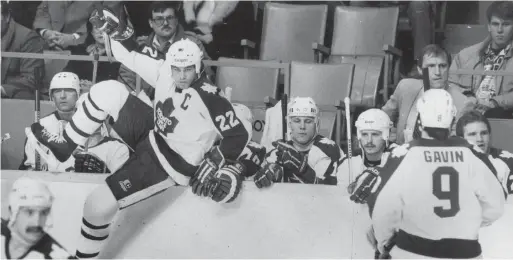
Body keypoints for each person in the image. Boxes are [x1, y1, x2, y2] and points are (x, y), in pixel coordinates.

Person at [27, 8, 250, 258]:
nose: (181, 75)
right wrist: (118, 32)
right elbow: (130, 56)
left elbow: (239, 135)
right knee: (108, 90)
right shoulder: (168, 70)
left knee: (96, 206)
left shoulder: (210, 96)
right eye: (177, 68)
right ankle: (65, 145)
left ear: (198, 66)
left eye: (188, 69)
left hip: (168, 164)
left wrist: (216, 158)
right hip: (154, 134)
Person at [355, 89, 505, 259]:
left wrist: (383, 244)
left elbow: (382, 208)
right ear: (453, 120)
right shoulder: (472, 152)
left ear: (419, 121)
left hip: (414, 251)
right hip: (464, 252)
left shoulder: (404, 153)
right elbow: (497, 205)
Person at [20, 72, 130, 174]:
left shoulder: (114, 143)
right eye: (57, 91)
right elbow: (27, 171)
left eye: (68, 90)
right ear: (51, 96)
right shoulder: (41, 127)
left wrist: (104, 172)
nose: (62, 96)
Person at [118, 1, 210, 106]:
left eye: (169, 18)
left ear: (176, 20)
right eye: (159, 19)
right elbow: (125, 77)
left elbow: (205, 78)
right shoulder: (140, 46)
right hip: (144, 107)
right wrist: (140, 100)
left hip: (182, 107)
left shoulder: (193, 44)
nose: (165, 23)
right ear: (150, 23)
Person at [382, 44, 470, 144]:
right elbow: (382, 118)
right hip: (402, 155)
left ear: (448, 68)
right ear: (420, 70)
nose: (437, 72)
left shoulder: (462, 103)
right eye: (431, 66)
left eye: (442, 66)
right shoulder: (405, 87)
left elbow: (456, 143)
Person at [253, 97, 344, 187]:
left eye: (308, 121)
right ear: (289, 124)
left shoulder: (328, 149)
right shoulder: (280, 149)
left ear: (317, 124)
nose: (302, 126)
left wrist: (303, 169)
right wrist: (273, 173)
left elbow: (327, 193)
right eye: (297, 121)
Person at [449, 1, 513, 116]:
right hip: (467, 112)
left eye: (506, 24)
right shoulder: (466, 55)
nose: (499, 30)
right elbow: (450, 83)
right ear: (488, 26)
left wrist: (495, 102)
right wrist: (467, 96)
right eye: (495, 24)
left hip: (501, 113)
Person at [1, 177, 72, 259]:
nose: (37, 222)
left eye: (43, 213)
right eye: (29, 212)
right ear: (12, 212)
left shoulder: (57, 256)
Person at [339, 108, 398, 193]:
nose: (369, 140)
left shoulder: (400, 157)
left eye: (375, 134)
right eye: (364, 134)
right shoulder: (348, 162)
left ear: (386, 135)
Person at [456, 109, 513, 195]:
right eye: (472, 134)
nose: (479, 139)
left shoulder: (508, 160)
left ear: (490, 135)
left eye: (484, 133)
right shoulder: (453, 162)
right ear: (461, 139)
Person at [33, 1, 125, 50]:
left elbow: (107, 19)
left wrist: (74, 38)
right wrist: (46, 32)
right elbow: (42, 12)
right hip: (46, 46)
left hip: (84, 49)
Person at [1, 0, 45, 100]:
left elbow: (31, 79)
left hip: (11, 98)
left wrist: (2, 89)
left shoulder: (28, 37)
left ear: (7, 17)